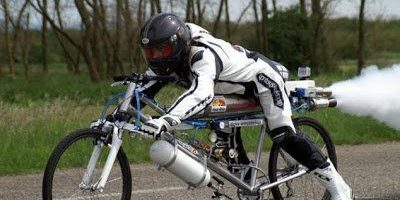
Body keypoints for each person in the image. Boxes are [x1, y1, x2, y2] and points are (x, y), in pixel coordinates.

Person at [138, 13, 353, 200]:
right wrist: (116, 115)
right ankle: (248, 187)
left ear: (177, 43)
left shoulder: (203, 56)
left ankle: (340, 189)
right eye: (150, 52)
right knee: (223, 138)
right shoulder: (177, 51)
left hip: (263, 81)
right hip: (230, 89)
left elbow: (201, 93)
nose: (155, 57)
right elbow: (145, 86)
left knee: (283, 135)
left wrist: (166, 120)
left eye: (161, 50)